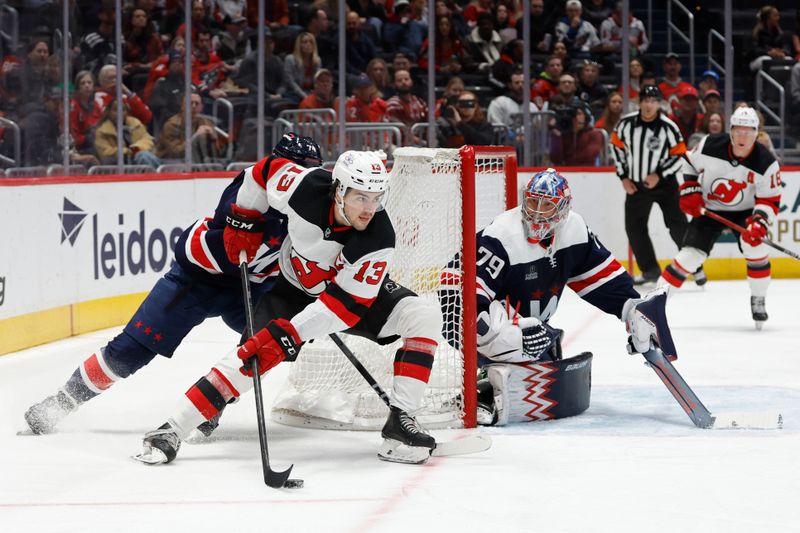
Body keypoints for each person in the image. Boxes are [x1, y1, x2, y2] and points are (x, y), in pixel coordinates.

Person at [136, 150, 444, 466]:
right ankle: (173, 428)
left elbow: (343, 309)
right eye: (360, 197)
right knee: (254, 353)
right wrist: (245, 217)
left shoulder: (379, 239)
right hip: (292, 289)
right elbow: (263, 172)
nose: (369, 208)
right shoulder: (305, 187)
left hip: (348, 300)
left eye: (376, 197)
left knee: (423, 316)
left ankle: (401, 421)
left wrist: (293, 333)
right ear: (339, 190)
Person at [22, 134, 322, 435]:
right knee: (130, 350)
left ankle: (211, 404)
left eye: (310, 170)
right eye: (296, 168)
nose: (300, 178)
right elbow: (237, 215)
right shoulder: (250, 184)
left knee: (266, 344)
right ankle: (62, 402)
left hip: (254, 285)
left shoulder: (312, 210)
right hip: (197, 277)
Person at [450, 169, 675, 426]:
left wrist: (631, 308)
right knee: (507, 335)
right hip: (463, 311)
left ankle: (516, 359)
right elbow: (460, 297)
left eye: (547, 204)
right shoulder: (503, 236)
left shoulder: (574, 229)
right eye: (533, 201)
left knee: (536, 340)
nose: (536, 211)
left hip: (522, 323)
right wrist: (503, 337)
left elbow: (601, 277)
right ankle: (483, 381)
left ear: (563, 207)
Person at [659, 106, 781, 329]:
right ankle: (654, 303)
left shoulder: (766, 162)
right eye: (738, 130)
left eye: (749, 131)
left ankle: (758, 298)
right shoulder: (709, 144)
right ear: (731, 130)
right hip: (709, 208)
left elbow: (770, 200)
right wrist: (690, 189)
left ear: (757, 133)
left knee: (756, 248)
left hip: (746, 212)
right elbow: (688, 162)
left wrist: (759, 222)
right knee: (689, 257)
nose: (743, 136)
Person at [610, 85, 702, 285]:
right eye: (645, 100)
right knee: (634, 228)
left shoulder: (668, 127)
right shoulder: (626, 124)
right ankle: (650, 271)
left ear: (659, 103)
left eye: (653, 101)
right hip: (636, 184)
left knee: (677, 225)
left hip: (665, 184)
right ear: (639, 102)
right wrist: (624, 177)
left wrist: (659, 174)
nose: (649, 104)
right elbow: (616, 147)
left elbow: (680, 156)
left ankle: (695, 265)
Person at [93, 99, 161, 168]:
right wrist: (127, 152)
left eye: (123, 110)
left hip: (138, 158)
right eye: (115, 110)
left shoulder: (135, 123)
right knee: (143, 156)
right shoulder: (102, 131)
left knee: (143, 155)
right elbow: (104, 152)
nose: (119, 113)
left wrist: (137, 148)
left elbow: (147, 139)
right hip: (117, 165)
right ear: (108, 112)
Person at [155, 92, 220, 162]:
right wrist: (195, 137)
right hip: (169, 162)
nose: (194, 106)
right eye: (190, 103)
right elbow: (175, 153)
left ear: (201, 107)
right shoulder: (172, 125)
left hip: (196, 161)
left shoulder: (206, 122)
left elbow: (217, 155)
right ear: (182, 106)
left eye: (197, 103)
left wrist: (214, 139)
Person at [549, 97, 604, 165]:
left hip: (587, 173)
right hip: (565, 172)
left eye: (579, 113)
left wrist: (568, 159)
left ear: (585, 116)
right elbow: (555, 159)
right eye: (572, 115)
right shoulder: (563, 135)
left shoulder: (594, 134)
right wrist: (556, 137)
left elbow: (588, 157)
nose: (576, 117)